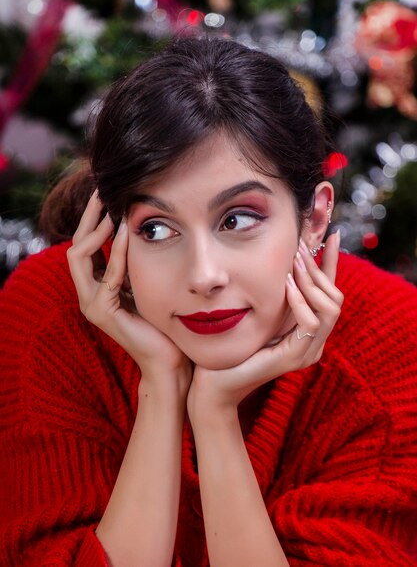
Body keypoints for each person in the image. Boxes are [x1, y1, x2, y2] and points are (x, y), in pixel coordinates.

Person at [0, 37, 416, 567]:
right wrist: (160, 386)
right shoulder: (51, 311)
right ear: (113, 228)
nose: (203, 276)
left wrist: (215, 417)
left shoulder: (395, 339)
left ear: (313, 218)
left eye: (238, 219)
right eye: (156, 228)